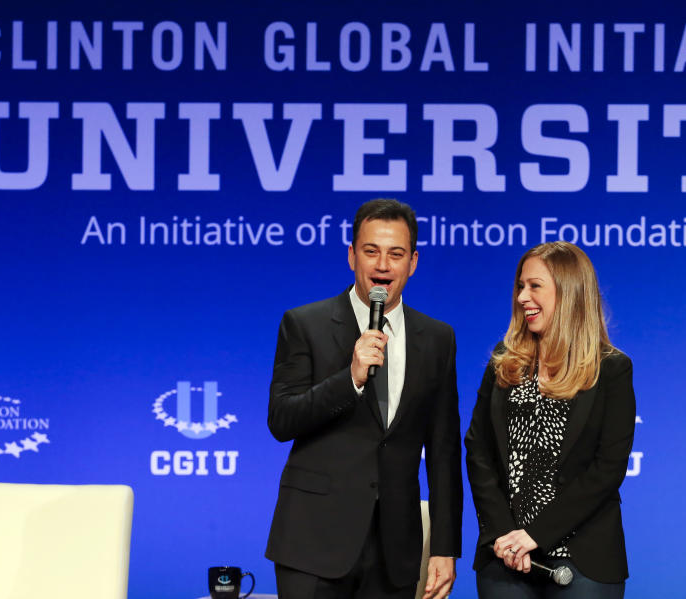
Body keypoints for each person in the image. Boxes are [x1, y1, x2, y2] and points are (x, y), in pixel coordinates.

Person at [266, 199, 463, 599]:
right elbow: (282, 419)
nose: (383, 265)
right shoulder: (305, 324)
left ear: (413, 263)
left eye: (396, 254)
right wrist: (350, 379)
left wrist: (444, 547)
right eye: (371, 251)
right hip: (313, 544)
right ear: (352, 255)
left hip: (395, 551)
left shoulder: (437, 338)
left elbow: (443, 451)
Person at [465, 242, 636, 598]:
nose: (522, 296)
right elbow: (478, 449)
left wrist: (535, 536)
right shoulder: (505, 361)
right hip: (506, 558)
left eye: (535, 286)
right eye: (520, 286)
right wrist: (503, 535)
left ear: (570, 291)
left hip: (582, 561)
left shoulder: (610, 369)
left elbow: (607, 469)